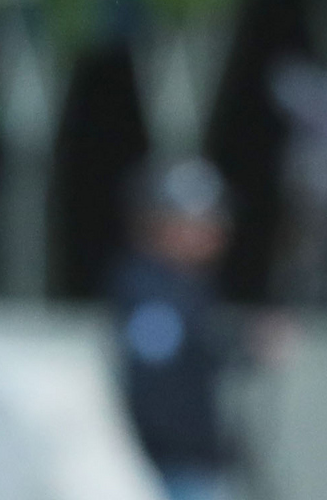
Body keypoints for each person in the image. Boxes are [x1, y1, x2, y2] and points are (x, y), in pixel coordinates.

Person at [112, 157, 241, 500]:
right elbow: (156, 390)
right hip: (167, 466)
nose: (213, 232)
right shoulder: (148, 289)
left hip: (189, 464)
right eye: (197, 221)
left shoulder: (186, 287)